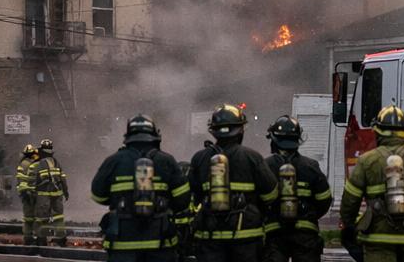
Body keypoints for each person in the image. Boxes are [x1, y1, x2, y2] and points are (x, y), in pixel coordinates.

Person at [339, 106, 404, 262]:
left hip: (378, 241)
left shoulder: (366, 161)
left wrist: (349, 227)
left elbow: (349, 202)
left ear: (377, 131)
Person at [91, 115, 192, 262]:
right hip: (160, 244)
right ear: (155, 136)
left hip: (122, 245)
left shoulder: (113, 161)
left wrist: (120, 201)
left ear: (128, 137)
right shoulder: (167, 161)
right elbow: (183, 200)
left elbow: (97, 195)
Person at [189, 104, 279, 262]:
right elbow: (271, 194)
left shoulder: (200, 158)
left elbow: (191, 196)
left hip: (210, 236)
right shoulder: (252, 157)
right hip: (246, 238)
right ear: (241, 130)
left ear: (213, 130)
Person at [262, 117, 332, 262]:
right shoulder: (311, 166)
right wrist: (308, 214)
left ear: (274, 140)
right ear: (298, 140)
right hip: (305, 235)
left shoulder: (265, 166)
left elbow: (257, 201)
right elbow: (324, 200)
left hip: (274, 235)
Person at [32, 137, 71, 246]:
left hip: (43, 195)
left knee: (42, 218)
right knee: (58, 217)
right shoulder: (56, 162)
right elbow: (63, 178)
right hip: (57, 194)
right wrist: (65, 191)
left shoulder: (39, 163)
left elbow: (33, 179)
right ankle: (61, 238)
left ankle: (41, 239)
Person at [17, 144, 40, 245]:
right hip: (31, 194)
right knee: (35, 217)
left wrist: (24, 192)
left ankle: (28, 237)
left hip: (26, 194)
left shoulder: (22, 164)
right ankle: (36, 238)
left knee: (28, 218)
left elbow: (20, 180)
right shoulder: (32, 164)